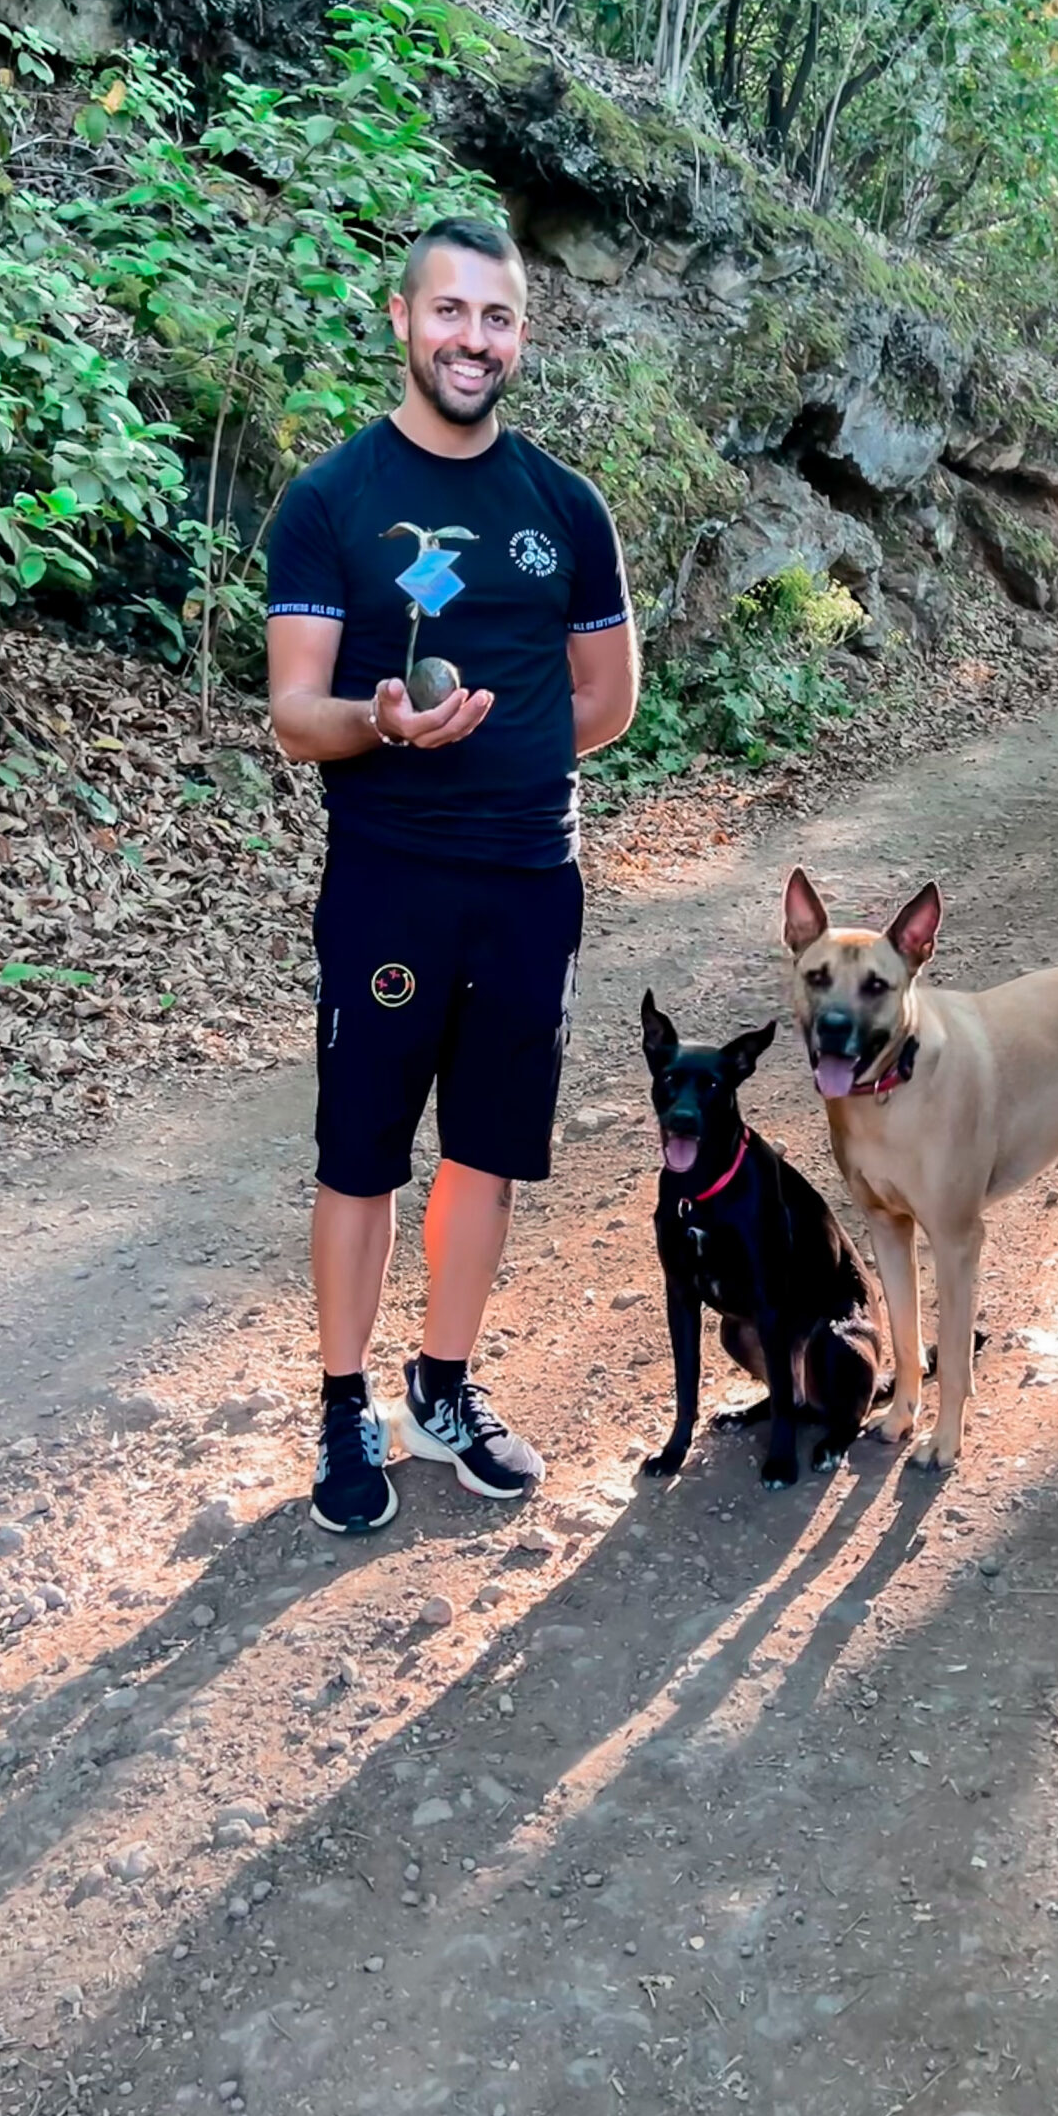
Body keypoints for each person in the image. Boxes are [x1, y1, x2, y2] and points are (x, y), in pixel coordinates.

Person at [266, 213, 639, 1533]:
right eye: (450, 313)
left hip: (533, 883)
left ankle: (442, 1388)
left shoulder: (564, 508)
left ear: (519, 336)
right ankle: (341, 1411)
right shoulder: (332, 502)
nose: (471, 339)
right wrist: (387, 728)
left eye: (496, 318)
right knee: (360, 1155)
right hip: (388, 881)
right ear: (401, 321)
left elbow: (607, 699)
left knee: (486, 1153)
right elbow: (294, 711)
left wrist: (510, 762)